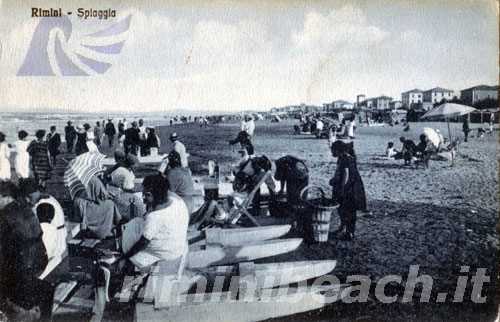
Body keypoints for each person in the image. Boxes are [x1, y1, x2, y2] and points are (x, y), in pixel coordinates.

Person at [0, 179, 54, 322]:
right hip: (36, 267)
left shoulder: (6, 214)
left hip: (18, 277)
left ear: (5, 197)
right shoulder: (27, 211)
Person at [329, 140, 366, 241]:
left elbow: (346, 174)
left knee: (348, 210)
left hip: (349, 188)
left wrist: (341, 188)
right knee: (342, 208)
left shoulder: (346, 159)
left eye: (332, 150)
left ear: (338, 150)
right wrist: (335, 180)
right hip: (349, 186)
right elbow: (339, 172)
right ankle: (343, 227)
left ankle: (349, 232)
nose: (331, 153)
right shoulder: (343, 157)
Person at [73, 175, 121, 239]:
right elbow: (103, 195)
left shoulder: (77, 181)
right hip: (90, 208)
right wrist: (110, 195)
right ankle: (108, 230)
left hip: (81, 206)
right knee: (110, 204)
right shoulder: (94, 179)